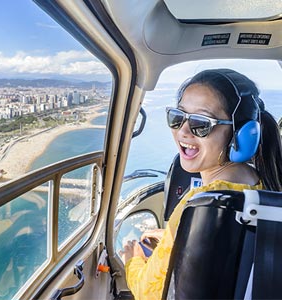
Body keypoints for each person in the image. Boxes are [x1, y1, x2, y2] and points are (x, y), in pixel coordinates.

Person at [120, 69, 282, 300]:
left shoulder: (199, 203)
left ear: (241, 134)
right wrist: (173, 238)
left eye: (201, 123)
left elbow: (150, 293)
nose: (183, 131)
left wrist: (132, 260)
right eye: (177, 117)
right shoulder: (264, 184)